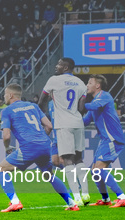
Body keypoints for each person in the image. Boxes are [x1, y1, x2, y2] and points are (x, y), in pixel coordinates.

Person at [0, 84, 77, 212]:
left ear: (10, 95)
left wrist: (7, 148)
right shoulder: (33, 106)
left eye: (5, 94)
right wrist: (40, 141)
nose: (4, 97)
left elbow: (6, 136)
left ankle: (15, 202)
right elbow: (49, 126)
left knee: (1, 169)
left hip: (29, 147)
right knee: (48, 175)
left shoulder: (7, 111)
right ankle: (72, 203)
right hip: (45, 144)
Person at [38, 57, 89, 206]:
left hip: (63, 124)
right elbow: (81, 108)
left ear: (66, 68)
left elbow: (42, 101)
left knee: (67, 160)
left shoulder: (54, 80)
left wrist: (45, 116)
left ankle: (77, 198)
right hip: (78, 123)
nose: (56, 66)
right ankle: (85, 194)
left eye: (60, 64)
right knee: (79, 159)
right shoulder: (81, 83)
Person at [81, 75, 125, 208]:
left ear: (97, 86)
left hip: (112, 138)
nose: (87, 85)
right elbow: (85, 121)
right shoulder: (96, 102)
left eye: (89, 82)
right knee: (94, 171)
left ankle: (122, 197)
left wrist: (78, 102)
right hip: (105, 139)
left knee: (98, 170)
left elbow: (91, 106)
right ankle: (105, 199)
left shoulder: (104, 96)